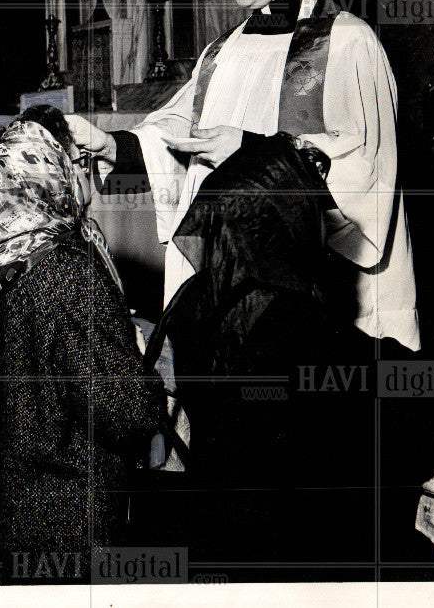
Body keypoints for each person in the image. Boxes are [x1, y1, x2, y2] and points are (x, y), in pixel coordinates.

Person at [67, 0, 420, 466]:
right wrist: (115, 144)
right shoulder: (222, 51)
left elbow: (368, 165)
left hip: (312, 300)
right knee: (235, 447)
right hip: (227, 298)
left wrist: (253, 152)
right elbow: (172, 131)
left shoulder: (347, 42)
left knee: (316, 456)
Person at [148, 130, 379, 579]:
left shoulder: (193, 299)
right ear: (281, 219)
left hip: (211, 521)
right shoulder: (292, 318)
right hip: (282, 537)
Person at [0, 106, 164, 583]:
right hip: (67, 524)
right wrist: (148, 383)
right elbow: (124, 411)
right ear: (53, 178)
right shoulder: (66, 273)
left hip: (0, 518)